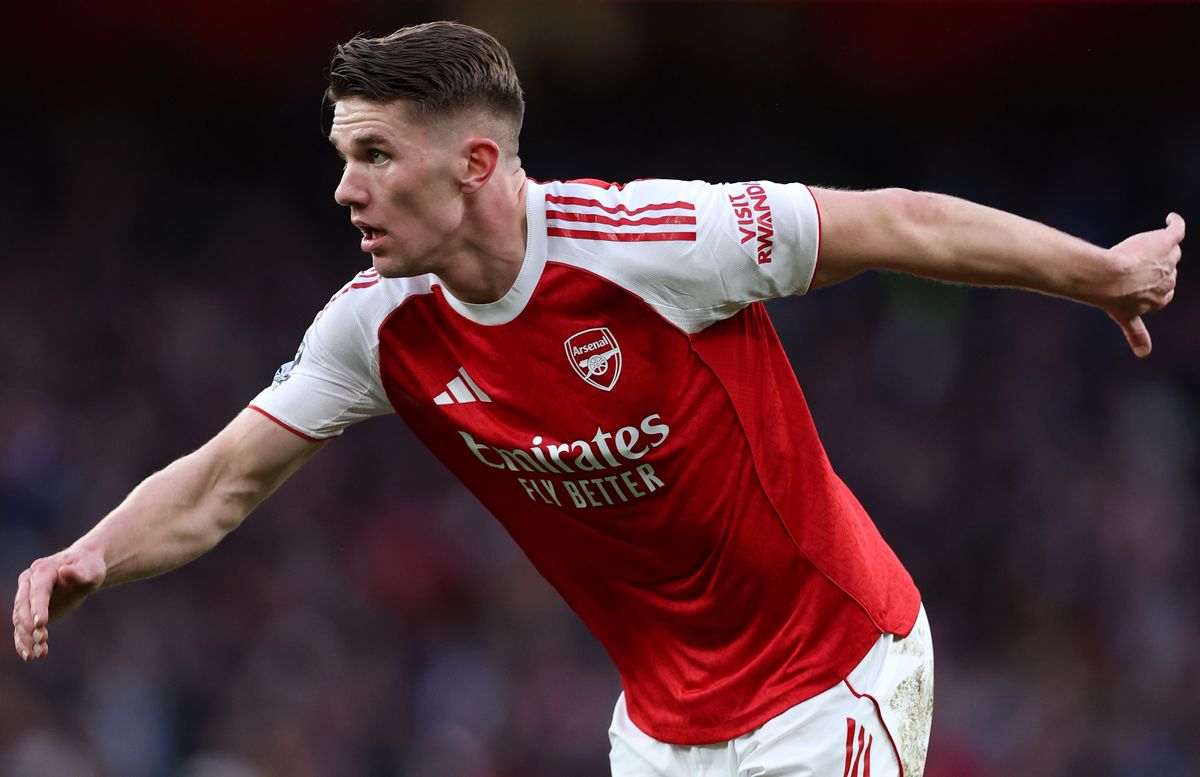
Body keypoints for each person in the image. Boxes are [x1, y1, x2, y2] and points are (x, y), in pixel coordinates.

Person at [11, 21, 1183, 777]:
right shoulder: (375, 326)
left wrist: (1099, 273)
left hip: (833, 677)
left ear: (474, 165)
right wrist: (93, 557)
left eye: (372, 155)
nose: (343, 187)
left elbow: (899, 219)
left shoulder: (657, 240)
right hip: (664, 729)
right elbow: (223, 481)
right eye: (340, 153)